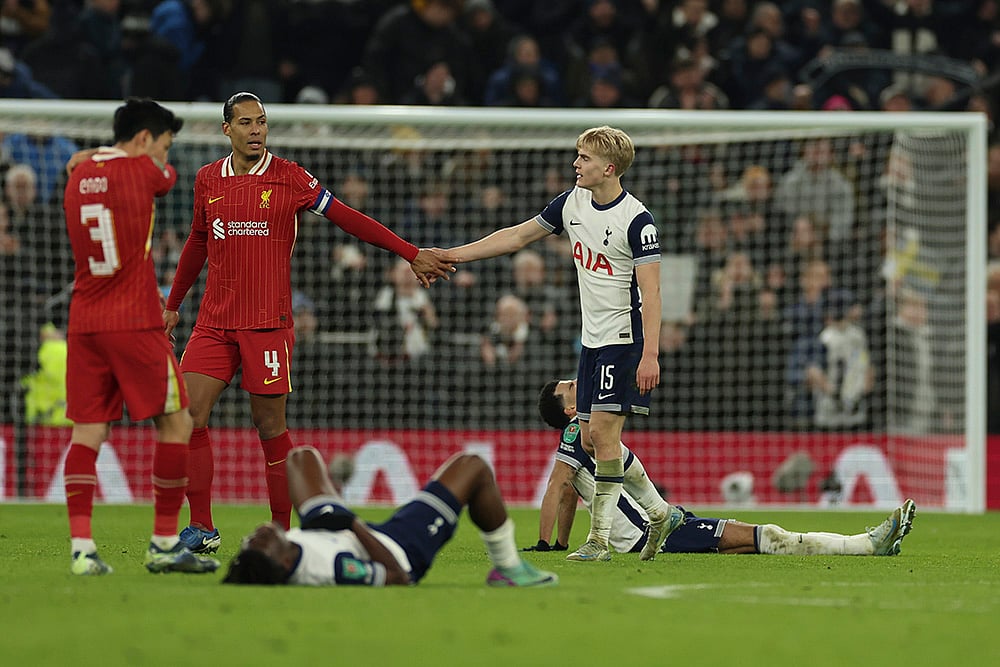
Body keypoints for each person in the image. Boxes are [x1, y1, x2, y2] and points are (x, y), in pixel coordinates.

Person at [163, 92, 455, 555]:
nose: (256, 130)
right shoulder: (206, 180)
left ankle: (280, 531)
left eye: (261, 122)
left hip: (268, 324)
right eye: (246, 123)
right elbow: (197, 242)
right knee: (187, 417)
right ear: (227, 130)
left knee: (269, 426)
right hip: (214, 323)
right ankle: (202, 526)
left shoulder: (290, 177)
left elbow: (349, 219)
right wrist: (173, 303)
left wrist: (410, 252)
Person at [440, 125, 682, 562]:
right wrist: (454, 254)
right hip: (590, 342)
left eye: (585, 158)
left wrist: (650, 354)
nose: (576, 164)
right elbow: (516, 236)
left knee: (605, 438)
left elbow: (653, 293)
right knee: (589, 441)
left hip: (623, 340)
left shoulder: (637, 220)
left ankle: (599, 541)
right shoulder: (571, 203)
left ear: (609, 168)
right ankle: (660, 512)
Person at [61, 98, 219, 576]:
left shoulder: (75, 178)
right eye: (165, 147)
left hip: (84, 321)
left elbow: (89, 162)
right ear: (145, 139)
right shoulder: (147, 174)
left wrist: (88, 157)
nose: (166, 160)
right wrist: (144, 163)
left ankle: (82, 550)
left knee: (88, 432)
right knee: (178, 424)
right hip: (133, 320)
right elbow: (165, 180)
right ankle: (165, 543)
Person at [531, 379, 917, 557]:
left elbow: (567, 494)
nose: (576, 379)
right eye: (569, 386)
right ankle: (866, 545)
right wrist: (546, 544)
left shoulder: (588, 431)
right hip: (646, 536)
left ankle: (867, 543)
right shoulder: (574, 432)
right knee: (762, 536)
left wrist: (558, 543)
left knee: (745, 542)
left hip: (657, 526)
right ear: (568, 411)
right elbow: (556, 487)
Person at [221, 445, 558, 587]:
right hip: (400, 547)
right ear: (281, 562)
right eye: (263, 542)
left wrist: (331, 518)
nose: (258, 534)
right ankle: (509, 567)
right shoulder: (332, 569)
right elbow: (398, 576)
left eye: (251, 540)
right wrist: (349, 521)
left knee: (300, 457)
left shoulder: (280, 554)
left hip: (333, 530)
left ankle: (334, 493)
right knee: (474, 467)